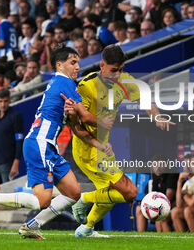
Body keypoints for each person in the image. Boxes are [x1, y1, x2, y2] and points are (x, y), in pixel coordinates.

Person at [0, 45, 113, 239]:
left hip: (48, 146)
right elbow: (86, 116)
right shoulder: (65, 83)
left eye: (78, 63)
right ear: (59, 65)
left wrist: (99, 145)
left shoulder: (61, 87)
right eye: (73, 62)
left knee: (73, 193)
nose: (78, 67)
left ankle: (32, 226)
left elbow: (77, 128)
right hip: (40, 143)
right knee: (43, 201)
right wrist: (104, 123)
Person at [63, 45, 174, 237]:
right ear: (102, 66)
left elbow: (146, 100)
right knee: (129, 192)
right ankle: (83, 199)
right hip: (88, 148)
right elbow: (80, 120)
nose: (117, 75)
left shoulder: (124, 81)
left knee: (109, 193)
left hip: (103, 149)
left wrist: (156, 117)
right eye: (114, 70)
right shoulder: (86, 86)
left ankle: (86, 229)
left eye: (121, 70)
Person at [0, 89, 23, 184]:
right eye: (0, 101)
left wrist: (16, 162)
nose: (3, 104)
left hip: (8, 161)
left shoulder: (15, 116)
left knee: (7, 192)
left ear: (10, 100)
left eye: (5, 101)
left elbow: (19, 140)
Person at [135, 155, 179, 232]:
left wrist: (153, 205)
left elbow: (169, 196)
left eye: (161, 165)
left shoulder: (172, 175)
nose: (157, 168)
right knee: (139, 209)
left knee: (159, 213)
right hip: (157, 204)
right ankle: (141, 237)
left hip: (171, 205)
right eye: (155, 165)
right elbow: (147, 195)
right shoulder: (153, 177)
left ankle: (168, 241)